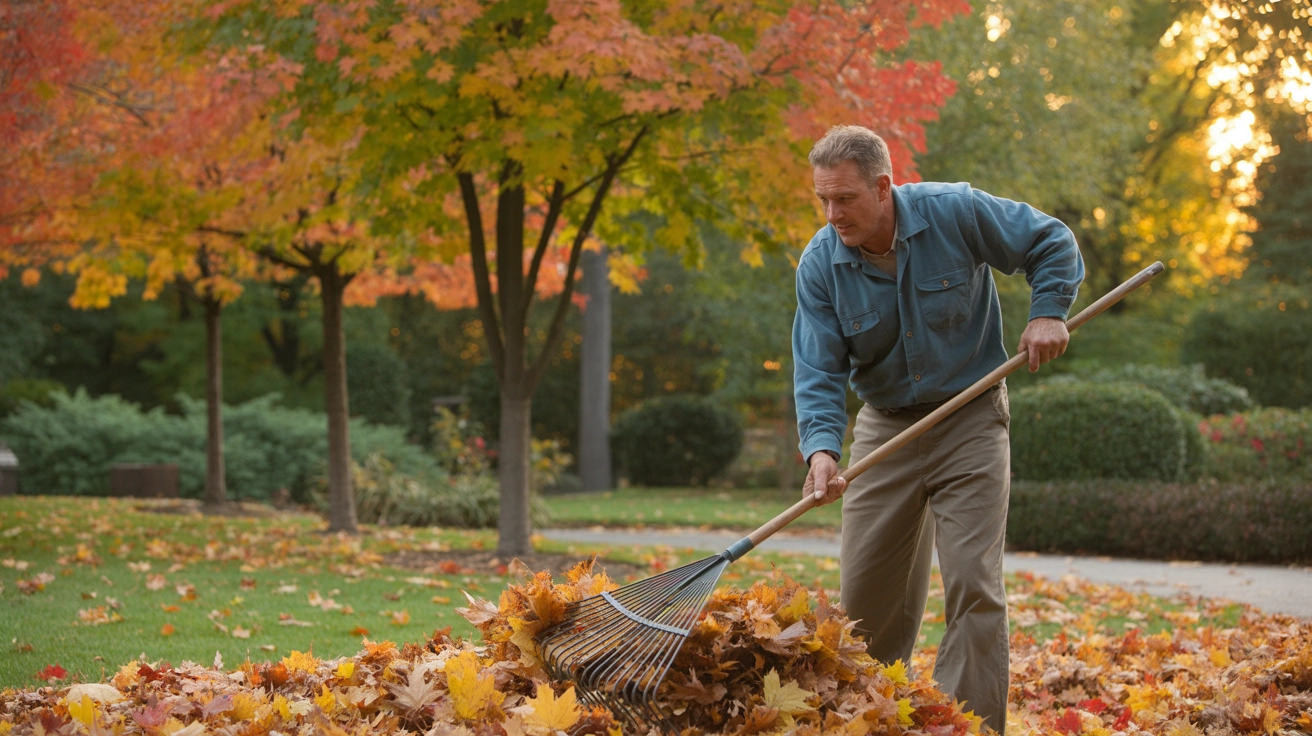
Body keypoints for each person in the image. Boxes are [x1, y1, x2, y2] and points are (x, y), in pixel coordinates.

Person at [793, 125, 1083, 735]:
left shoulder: (955, 212)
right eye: (823, 199)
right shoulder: (822, 263)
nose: (832, 213)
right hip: (885, 428)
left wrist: (1049, 310)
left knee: (974, 585)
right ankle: (872, 721)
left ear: (882, 186)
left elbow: (1051, 241)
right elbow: (818, 368)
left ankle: (963, 726)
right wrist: (821, 449)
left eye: (844, 198)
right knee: (864, 605)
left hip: (970, 417)